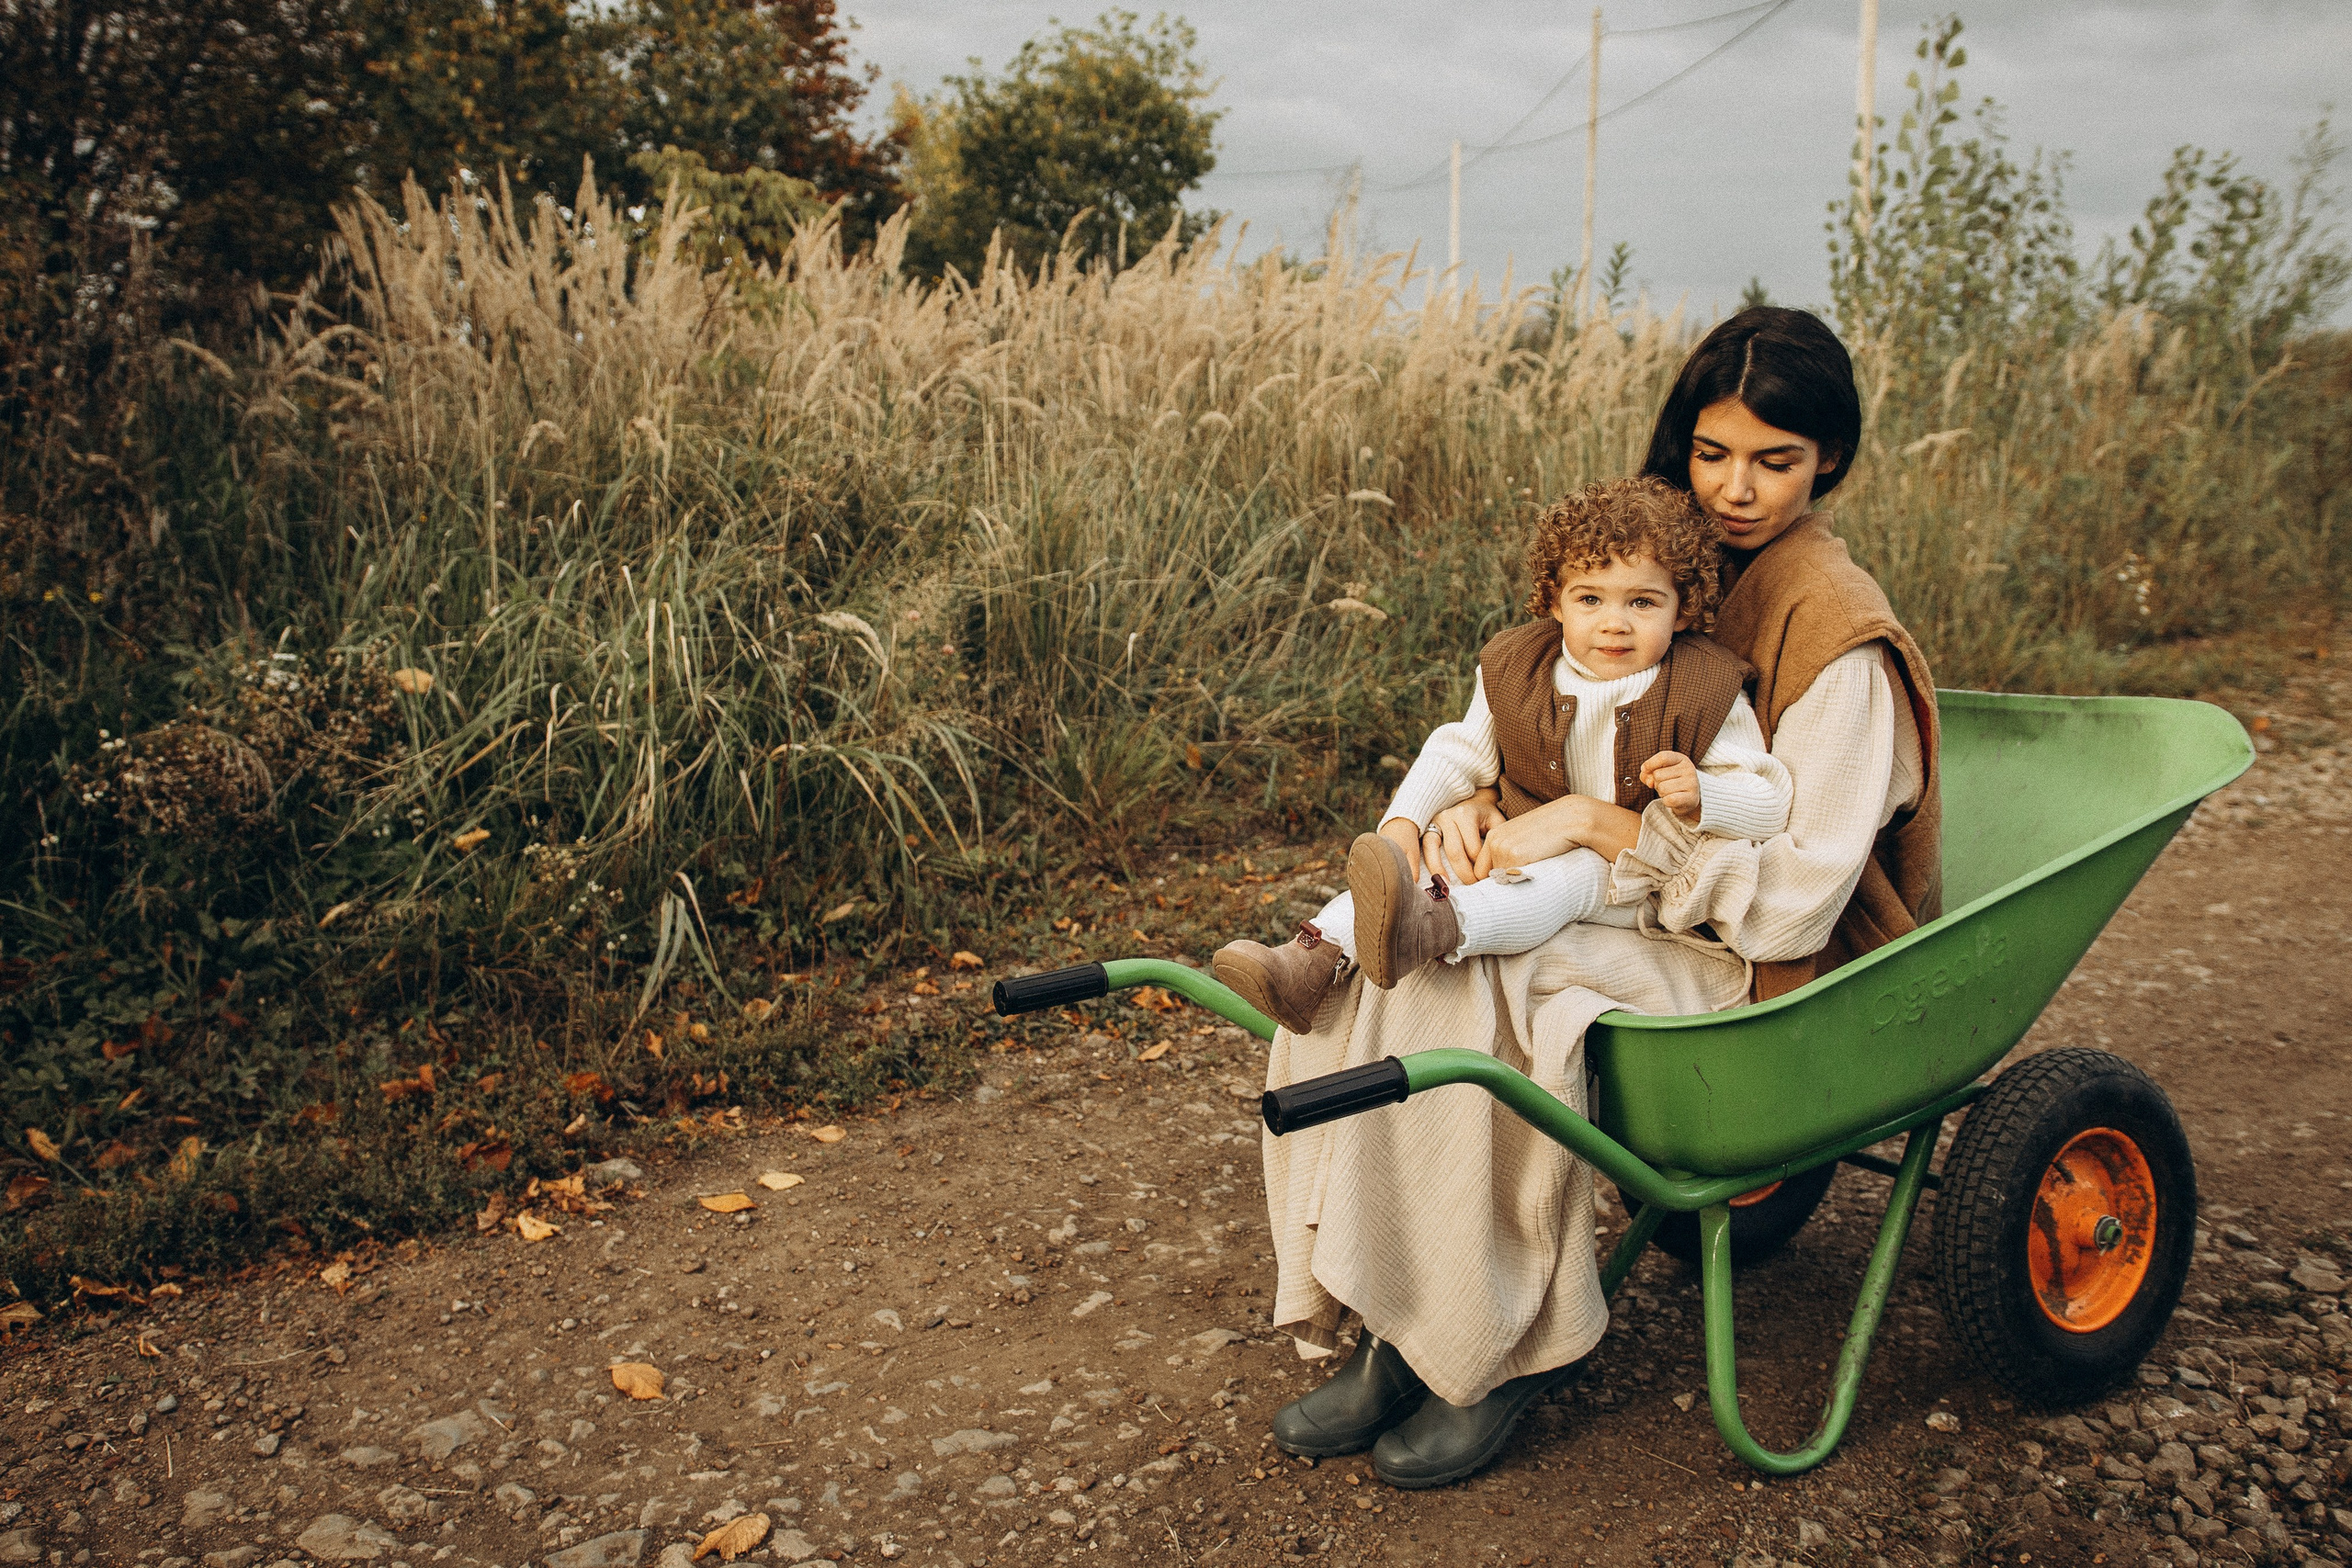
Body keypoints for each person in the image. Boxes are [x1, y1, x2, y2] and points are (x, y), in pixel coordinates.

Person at [1254, 307, 1939, 1491]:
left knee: (1493, 987)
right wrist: (1484, 809)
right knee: (1387, 970)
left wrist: (1585, 827)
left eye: (1776, 461)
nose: (1735, 489)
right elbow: (1531, 729)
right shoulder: (1662, 562)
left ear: (1828, 457)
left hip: (1742, 956)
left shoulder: (1838, 636)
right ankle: (1389, 1323)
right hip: (1604, 900)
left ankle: (1499, 1347)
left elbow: (1784, 913)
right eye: (1711, 452)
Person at [1210, 477, 1792, 1035]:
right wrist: (1403, 824)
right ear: (1557, 602)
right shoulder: (1517, 667)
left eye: (1643, 602)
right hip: (1516, 835)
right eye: (1589, 598)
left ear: (1683, 610)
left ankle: (1438, 927)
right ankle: (1308, 960)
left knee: (1560, 879)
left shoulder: (1706, 687)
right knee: (1416, 871)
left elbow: (1770, 801)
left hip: (1627, 876)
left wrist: (1705, 795)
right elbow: (1459, 750)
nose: (1614, 622)